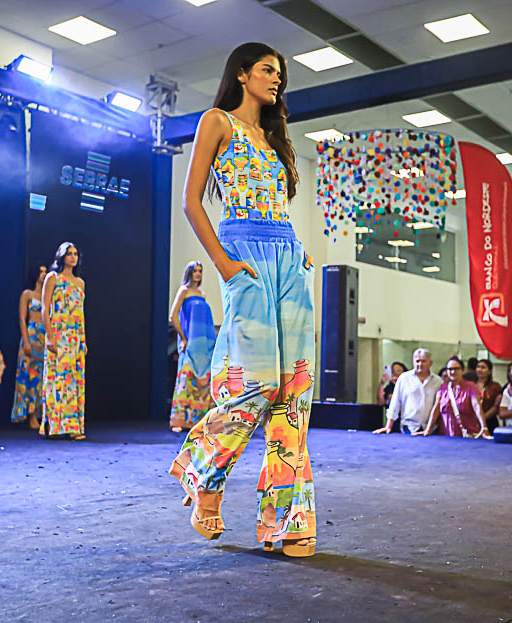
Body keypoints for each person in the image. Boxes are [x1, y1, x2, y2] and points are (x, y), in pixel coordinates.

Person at [168, 42, 317, 557]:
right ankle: (205, 477)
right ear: (241, 73)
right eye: (268, 70)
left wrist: (297, 253)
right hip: (244, 257)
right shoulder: (217, 122)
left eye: (281, 74)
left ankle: (287, 521)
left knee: (294, 393)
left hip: (287, 261)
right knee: (255, 384)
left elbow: (279, 208)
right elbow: (191, 202)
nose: (277, 79)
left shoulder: (274, 139)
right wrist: (224, 264)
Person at [41, 242, 86, 440]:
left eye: (75, 254)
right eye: (69, 254)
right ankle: (53, 425)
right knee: (56, 380)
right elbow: (45, 308)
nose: (73, 257)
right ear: (62, 256)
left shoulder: (80, 283)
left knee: (74, 381)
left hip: (75, 338)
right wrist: (50, 336)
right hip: (58, 335)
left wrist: (84, 340)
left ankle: (74, 426)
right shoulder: (53, 278)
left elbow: (81, 314)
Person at [168, 261, 217, 432]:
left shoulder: (202, 294)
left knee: (205, 382)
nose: (198, 274)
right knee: (187, 379)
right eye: (195, 271)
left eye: (200, 271)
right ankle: (180, 421)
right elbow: (173, 315)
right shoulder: (184, 291)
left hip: (205, 344)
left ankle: (201, 421)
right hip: (190, 342)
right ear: (189, 273)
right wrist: (183, 338)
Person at [372, 349, 442, 435]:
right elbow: (395, 402)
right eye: (417, 361)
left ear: (430, 363)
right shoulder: (404, 378)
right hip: (409, 427)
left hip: (432, 428)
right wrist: (388, 426)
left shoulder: (438, 381)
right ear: (413, 362)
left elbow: (439, 406)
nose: (420, 364)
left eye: (423, 361)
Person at [11, 264, 47, 430]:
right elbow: (22, 319)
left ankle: (39, 413)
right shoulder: (28, 294)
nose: (43, 274)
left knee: (41, 378)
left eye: (45, 272)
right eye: (41, 271)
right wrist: (26, 341)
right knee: (28, 375)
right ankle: (28, 414)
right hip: (31, 335)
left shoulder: (47, 295)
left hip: (44, 337)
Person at [420, 356, 488, 438]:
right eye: (449, 369)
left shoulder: (471, 387)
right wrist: (428, 429)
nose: (452, 372)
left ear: (462, 370)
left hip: (466, 436)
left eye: (456, 369)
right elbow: (436, 409)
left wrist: (484, 428)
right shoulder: (443, 388)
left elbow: (477, 407)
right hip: (446, 436)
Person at [474, 358, 503, 433]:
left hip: (490, 422)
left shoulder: (495, 387)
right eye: (478, 367)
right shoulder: (472, 386)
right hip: (474, 422)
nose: (479, 369)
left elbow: (496, 406)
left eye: (483, 367)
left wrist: (483, 418)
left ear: (489, 371)